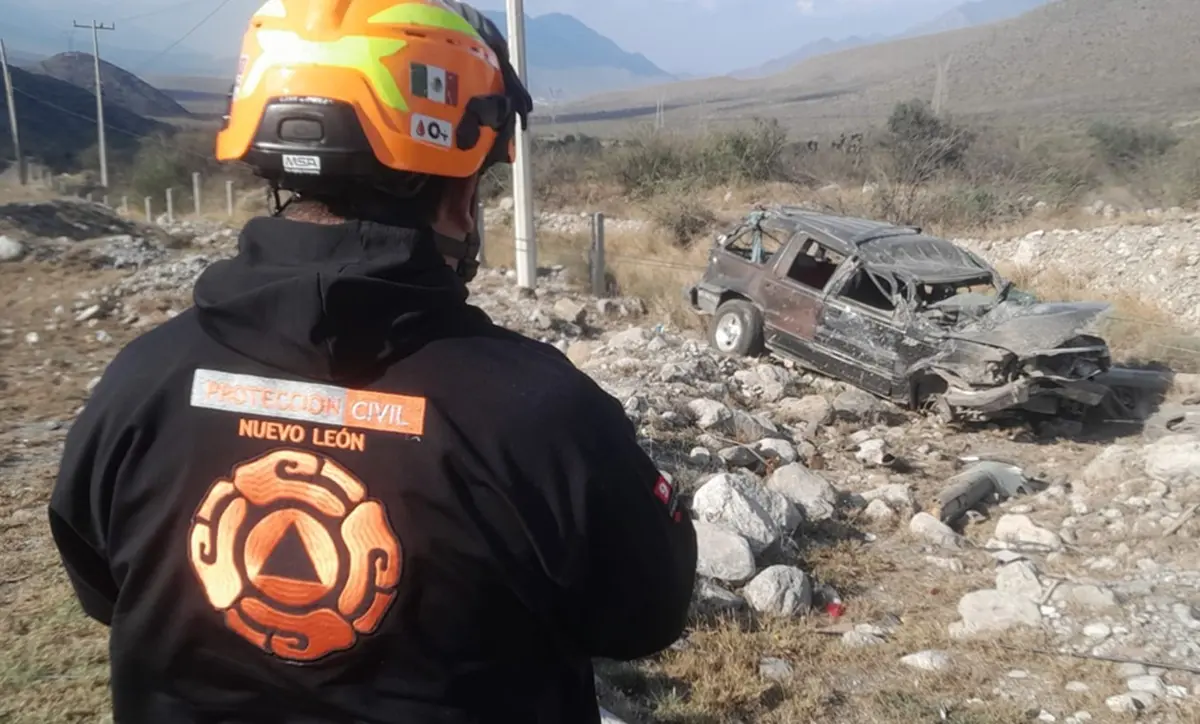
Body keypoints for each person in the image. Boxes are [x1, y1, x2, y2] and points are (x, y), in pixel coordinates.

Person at [47, 2, 698, 722]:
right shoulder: (542, 416)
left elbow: (105, 590)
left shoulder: (140, 384)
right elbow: (645, 617)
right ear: (459, 193)